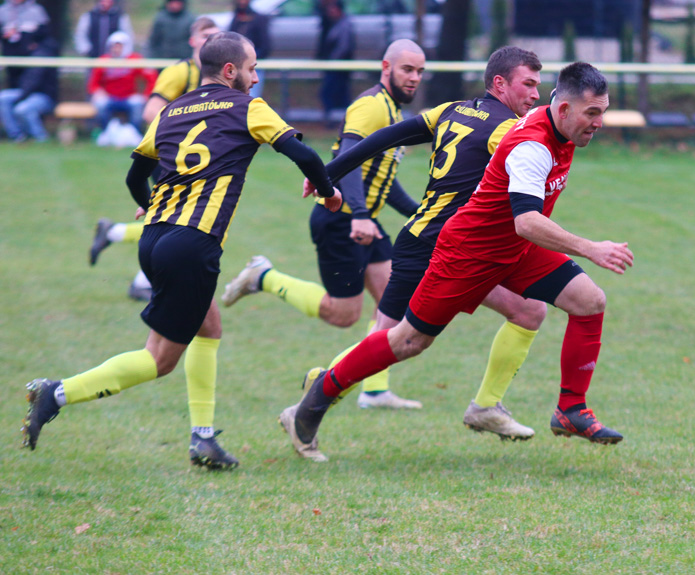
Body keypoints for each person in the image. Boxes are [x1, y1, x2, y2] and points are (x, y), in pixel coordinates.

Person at [21, 31, 342, 471]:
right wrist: (329, 193)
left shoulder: (173, 108)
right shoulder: (249, 107)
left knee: (208, 327)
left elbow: (136, 177)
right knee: (159, 359)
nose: (255, 77)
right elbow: (304, 156)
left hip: (154, 240)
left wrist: (151, 203)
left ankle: (203, 439)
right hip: (193, 244)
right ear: (230, 71)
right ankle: (56, 394)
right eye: (252, 69)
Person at [283, 62, 633, 462]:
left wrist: (328, 172)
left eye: (602, 112)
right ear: (565, 109)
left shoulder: (547, 123)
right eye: (592, 113)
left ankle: (570, 409)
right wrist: (590, 247)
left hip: (511, 250)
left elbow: (393, 135)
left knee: (589, 301)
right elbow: (526, 220)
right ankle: (313, 401)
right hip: (468, 252)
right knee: (406, 340)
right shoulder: (530, 143)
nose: (600, 122)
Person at [290, 46, 547, 443]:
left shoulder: (451, 109)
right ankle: (320, 390)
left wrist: (329, 173)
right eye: (529, 84)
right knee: (397, 339)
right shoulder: (505, 130)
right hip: (439, 243)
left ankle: (486, 406)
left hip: (434, 237)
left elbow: (383, 139)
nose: (535, 95)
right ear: (500, 83)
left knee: (526, 310)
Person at [221, 39, 426, 410]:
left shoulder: (393, 112)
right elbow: (347, 158)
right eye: (407, 69)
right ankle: (263, 277)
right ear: (386, 67)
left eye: (419, 71)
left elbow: (381, 177)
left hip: (366, 220)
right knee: (343, 314)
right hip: (342, 220)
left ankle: (374, 391)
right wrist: (359, 215)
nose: (414, 78)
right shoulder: (371, 106)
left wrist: (419, 211)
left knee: (392, 307)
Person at [89, 16, 221, 302]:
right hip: (169, 159)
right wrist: (188, 135)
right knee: (183, 225)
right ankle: (141, 281)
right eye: (205, 35)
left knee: (180, 222)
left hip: (197, 162)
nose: (211, 40)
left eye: (216, 35)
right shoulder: (180, 72)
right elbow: (151, 112)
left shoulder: (220, 76)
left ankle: (114, 233)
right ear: (193, 40)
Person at [88, 30, 157, 131]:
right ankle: (105, 133)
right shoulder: (104, 61)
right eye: (113, 46)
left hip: (129, 97)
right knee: (100, 104)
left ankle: (135, 134)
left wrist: (147, 95)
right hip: (109, 97)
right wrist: (97, 91)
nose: (116, 49)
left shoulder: (134, 60)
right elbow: (93, 84)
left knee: (137, 104)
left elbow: (151, 77)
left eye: (119, 46)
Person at [0, 36, 56, 142]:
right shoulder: (25, 53)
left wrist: (21, 97)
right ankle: (16, 136)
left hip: (42, 95)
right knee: (3, 97)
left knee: (22, 109)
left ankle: (41, 137)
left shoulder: (41, 55)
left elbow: (33, 82)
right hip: (26, 92)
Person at [317, 0, 354, 126]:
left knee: (331, 94)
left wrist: (332, 62)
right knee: (340, 96)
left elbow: (344, 48)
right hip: (336, 68)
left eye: (333, 9)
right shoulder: (334, 24)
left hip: (338, 69)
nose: (330, 12)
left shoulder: (344, 25)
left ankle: (335, 121)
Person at [0, 0, 50, 91]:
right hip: (10, 54)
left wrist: (33, 42)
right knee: (13, 82)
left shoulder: (36, 10)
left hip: (30, 55)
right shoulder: (3, 10)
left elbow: (44, 32)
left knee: (29, 80)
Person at [229, 0, 270, 100]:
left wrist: (251, 58)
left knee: (251, 97)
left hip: (255, 64)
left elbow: (265, 45)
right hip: (237, 65)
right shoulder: (236, 18)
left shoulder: (258, 19)